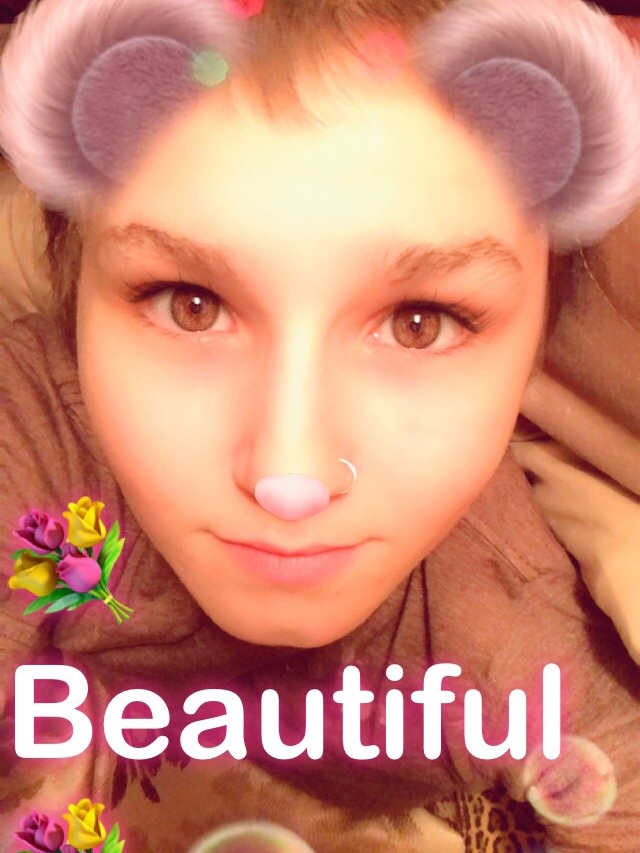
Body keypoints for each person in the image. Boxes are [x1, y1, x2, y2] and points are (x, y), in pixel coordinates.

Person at [1, 0, 639, 850]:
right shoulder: (33, 430)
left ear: (534, 353)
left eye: (419, 323)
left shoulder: (508, 632)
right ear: (76, 294)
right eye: (191, 305)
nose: (289, 476)